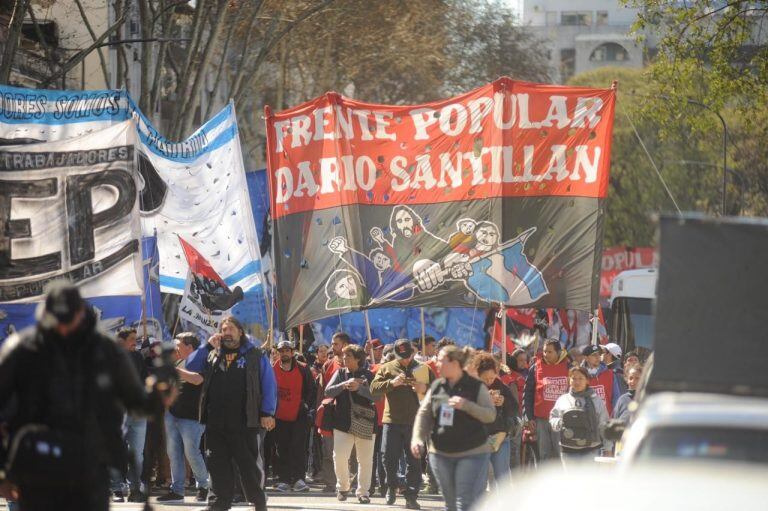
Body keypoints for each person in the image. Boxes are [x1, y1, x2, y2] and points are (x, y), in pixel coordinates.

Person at [0, 282, 172, 511]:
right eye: (56, 319)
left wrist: (158, 395)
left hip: (89, 466)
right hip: (37, 468)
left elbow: (137, 404)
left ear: (80, 313)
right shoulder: (23, 348)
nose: (62, 328)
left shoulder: (107, 350)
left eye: (67, 319)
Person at [197, 316, 277, 511]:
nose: (226, 333)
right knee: (217, 465)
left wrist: (267, 412)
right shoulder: (212, 354)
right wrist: (207, 347)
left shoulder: (255, 355)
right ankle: (219, 502)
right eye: (224, 329)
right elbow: (191, 366)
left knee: (248, 466)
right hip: (215, 422)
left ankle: (258, 502)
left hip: (244, 422)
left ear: (240, 331)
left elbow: (269, 384)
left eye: (231, 328)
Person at [411, 346, 496, 511]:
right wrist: (417, 438)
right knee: (450, 504)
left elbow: (489, 415)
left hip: (471, 453)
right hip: (440, 454)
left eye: (441, 360)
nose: (436, 363)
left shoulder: (476, 386)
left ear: (455, 363)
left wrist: (467, 405)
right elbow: (424, 414)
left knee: (463, 502)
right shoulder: (437, 386)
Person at [371, 339, 434, 510]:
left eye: (407, 356)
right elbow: (373, 388)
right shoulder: (387, 367)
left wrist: (425, 387)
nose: (405, 360)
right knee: (388, 459)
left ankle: (411, 496)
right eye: (401, 356)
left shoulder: (423, 368)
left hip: (416, 423)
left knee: (414, 462)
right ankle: (392, 485)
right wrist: (392, 383)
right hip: (392, 421)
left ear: (413, 352)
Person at [157, 333, 209, 503]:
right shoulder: (178, 361)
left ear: (189, 346)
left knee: (192, 452)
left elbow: (197, 380)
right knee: (173, 453)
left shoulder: (201, 361)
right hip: (172, 414)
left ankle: (203, 487)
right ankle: (177, 490)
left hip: (192, 417)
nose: (176, 348)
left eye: (178, 345)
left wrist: (174, 370)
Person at [324, 344, 377, 503]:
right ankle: (343, 487)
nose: (344, 358)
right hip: (342, 423)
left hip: (366, 423)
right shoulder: (340, 373)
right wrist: (343, 385)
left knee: (365, 460)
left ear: (358, 359)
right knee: (339, 456)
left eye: (348, 356)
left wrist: (360, 388)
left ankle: (363, 492)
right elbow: (328, 391)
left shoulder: (369, 375)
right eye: (344, 356)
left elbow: (378, 397)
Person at [110, 327, 150, 503]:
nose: (136, 341)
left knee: (137, 454)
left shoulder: (138, 357)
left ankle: (135, 489)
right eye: (133, 338)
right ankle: (116, 489)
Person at [272, 340, 315, 493]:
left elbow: (311, 390)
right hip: (279, 416)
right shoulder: (272, 369)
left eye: (286, 350)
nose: (283, 353)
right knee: (281, 448)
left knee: (298, 448)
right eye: (281, 350)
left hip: (299, 416)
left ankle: (298, 479)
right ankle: (283, 479)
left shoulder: (303, 369)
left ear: (292, 352)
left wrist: (306, 407)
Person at [473, 352, 518, 487]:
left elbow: (515, 408)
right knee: (479, 477)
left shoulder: (501, 386)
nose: (489, 382)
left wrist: (504, 402)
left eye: (492, 378)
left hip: (500, 436)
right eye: (485, 379)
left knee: (502, 477)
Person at [549, 366, 609, 467]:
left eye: (581, 378)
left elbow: (604, 425)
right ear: (569, 380)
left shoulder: (596, 400)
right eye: (573, 378)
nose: (577, 382)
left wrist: (608, 448)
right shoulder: (562, 400)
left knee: (589, 482)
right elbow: (553, 418)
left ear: (587, 381)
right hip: (568, 450)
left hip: (591, 451)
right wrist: (559, 423)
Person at [523, 339, 570, 461]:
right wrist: (529, 417)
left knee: (562, 455)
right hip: (541, 421)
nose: (546, 355)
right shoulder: (535, 368)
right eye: (544, 351)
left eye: (550, 352)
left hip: (562, 420)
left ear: (558, 352)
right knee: (544, 456)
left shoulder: (569, 367)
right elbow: (528, 394)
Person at [318, 332, 350, 492]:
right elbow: (322, 391)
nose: (332, 347)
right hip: (330, 414)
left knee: (350, 453)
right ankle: (331, 483)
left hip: (350, 414)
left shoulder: (357, 364)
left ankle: (350, 483)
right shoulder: (327, 365)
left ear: (344, 345)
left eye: (335, 344)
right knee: (329, 451)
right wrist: (318, 411)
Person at [581, 345, 622, 416]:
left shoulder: (610, 374)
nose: (598, 357)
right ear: (586, 358)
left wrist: (614, 418)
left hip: (606, 421)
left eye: (599, 354)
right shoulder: (580, 375)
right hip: (586, 421)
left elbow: (616, 398)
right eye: (594, 355)